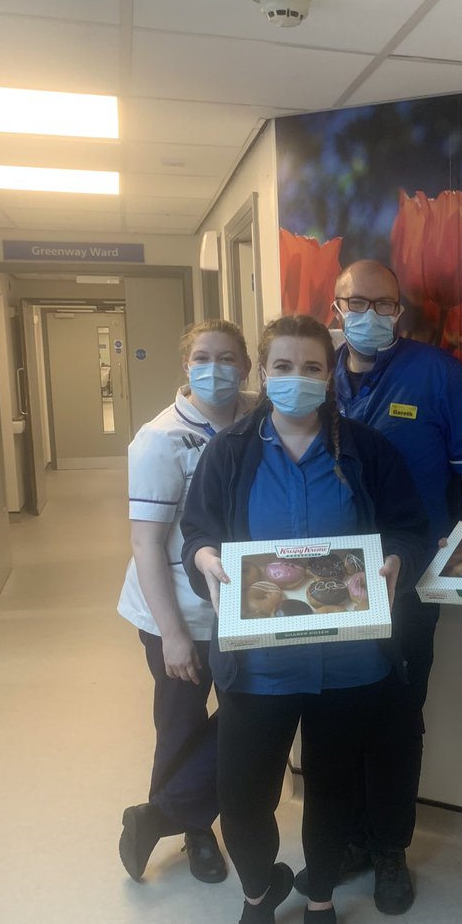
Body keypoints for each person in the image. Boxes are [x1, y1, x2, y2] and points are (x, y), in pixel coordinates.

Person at [180, 315, 427, 924]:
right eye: (283, 367)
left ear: (330, 375)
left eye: (312, 367)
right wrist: (204, 558)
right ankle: (259, 894)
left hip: (347, 664)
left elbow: (409, 529)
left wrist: (397, 563)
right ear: (264, 374)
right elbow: (196, 531)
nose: (297, 379)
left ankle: (319, 903)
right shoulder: (230, 451)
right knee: (243, 799)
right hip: (257, 664)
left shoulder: (367, 450)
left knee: (332, 795)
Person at [294, 258, 462, 914]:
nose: (371, 315)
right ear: (335, 308)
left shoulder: (437, 375)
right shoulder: (313, 376)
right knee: (333, 717)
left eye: (385, 304)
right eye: (358, 303)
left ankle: (389, 849)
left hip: (408, 578)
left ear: (400, 311)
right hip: (328, 584)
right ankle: (347, 838)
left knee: (396, 719)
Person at [117, 319, 254, 883]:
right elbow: (146, 543)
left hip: (246, 607)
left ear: (246, 366)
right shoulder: (161, 439)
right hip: (178, 610)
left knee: (250, 715)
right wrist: (172, 634)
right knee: (180, 723)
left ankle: (159, 814)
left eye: (227, 358)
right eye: (202, 357)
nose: (215, 369)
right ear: (186, 366)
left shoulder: (261, 415)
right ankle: (196, 834)